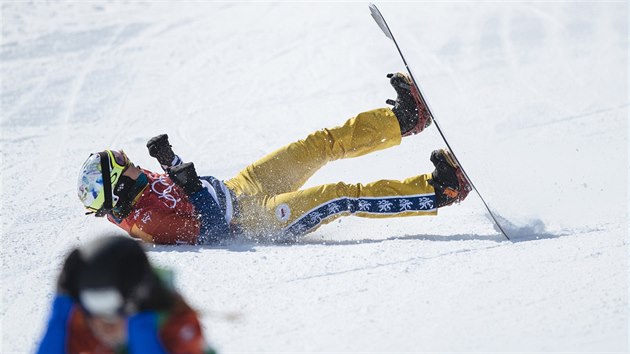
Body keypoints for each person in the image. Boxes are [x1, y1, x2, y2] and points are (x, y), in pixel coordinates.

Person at [76, 73, 471, 245]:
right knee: (340, 195)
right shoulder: (146, 222)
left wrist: (171, 161)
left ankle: (404, 120)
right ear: (118, 183)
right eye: (121, 162)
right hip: (253, 220)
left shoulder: (133, 186)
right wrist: (190, 184)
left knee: (318, 144)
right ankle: (440, 190)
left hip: (239, 187)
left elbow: (183, 185)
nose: (130, 161)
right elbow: (211, 231)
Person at [36, 236, 217, 353]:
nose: (103, 322)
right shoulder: (85, 319)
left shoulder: (177, 323)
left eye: (110, 305)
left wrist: (141, 328)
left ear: (139, 299)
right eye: (93, 303)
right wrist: (59, 315)